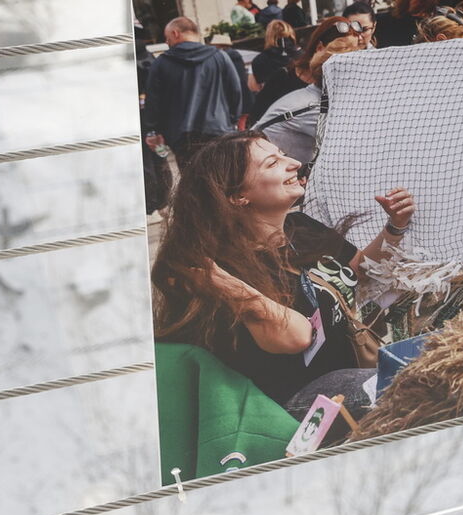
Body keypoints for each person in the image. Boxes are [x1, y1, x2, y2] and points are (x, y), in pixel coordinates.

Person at [151, 131, 415, 414]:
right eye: (272, 163)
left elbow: (354, 273)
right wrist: (228, 287)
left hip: (349, 376)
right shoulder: (222, 271)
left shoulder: (299, 226)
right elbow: (299, 337)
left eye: (283, 154)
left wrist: (395, 227)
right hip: (290, 408)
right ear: (239, 196)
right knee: (414, 388)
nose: (293, 163)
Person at [254, 15, 370, 168]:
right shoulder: (314, 106)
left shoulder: (318, 94)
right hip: (263, 169)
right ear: (321, 49)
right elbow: (358, 144)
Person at [143, 16, 250, 168]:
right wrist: (231, 120)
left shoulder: (161, 63)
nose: (167, 43)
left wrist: (153, 130)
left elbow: (154, 101)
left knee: (192, 182)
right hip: (218, 129)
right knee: (221, 177)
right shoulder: (219, 57)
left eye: (167, 39)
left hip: (181, 135)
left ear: (175, 33)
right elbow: (235, 91)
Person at [247, 19, 302, 120]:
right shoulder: (302, 56)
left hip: (272, 113)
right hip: (301, 109)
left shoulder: (259, 60)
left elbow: (253, 87)